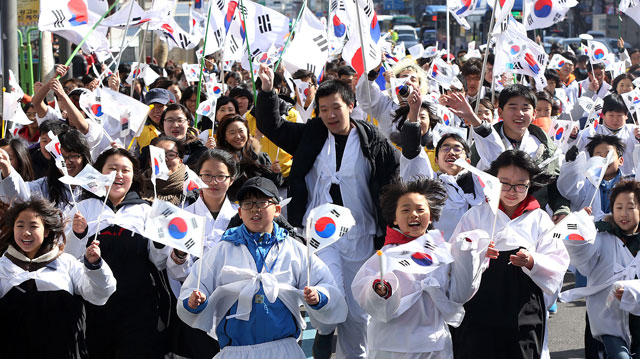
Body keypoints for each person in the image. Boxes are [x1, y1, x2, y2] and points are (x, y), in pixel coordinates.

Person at [256, 64, 400, 358]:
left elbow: (391, 184)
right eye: (323, 109)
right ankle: (323, 332)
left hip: (362, 233)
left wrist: (393, 229)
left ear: (351, 105)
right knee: (327, 292)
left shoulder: (374, 141)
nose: (330, 115)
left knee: (358, 311)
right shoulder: (311, 135)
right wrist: (268, 92)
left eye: (336, 107)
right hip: (321, 233)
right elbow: (271, 126)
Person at [177, 177, 347, 358]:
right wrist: (193, 301)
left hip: (283, 350)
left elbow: (326, 285)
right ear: (240, 212)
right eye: (248, 204)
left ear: (277, 210)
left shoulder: (294, 249)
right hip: (236, 352)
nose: (255, 209)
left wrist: (318, 296)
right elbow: (195, 287)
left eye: (262, 202)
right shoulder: (221, 251)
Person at [351, 177, 495, 358]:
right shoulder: (383, 256)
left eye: (420, 209)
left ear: (432, 215)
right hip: (392, 346)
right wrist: (380, 292)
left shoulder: (444, 252)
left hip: (434, 343)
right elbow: (365, 296)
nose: (414, 215)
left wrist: (475, 255)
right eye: (405, 210)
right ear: (394, 219)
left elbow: (459, 294)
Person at [450, 150, 570, 358]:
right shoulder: (476, 215)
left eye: (520, 185)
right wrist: (477, 253)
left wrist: (532, 261)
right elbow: (454, 254)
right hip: (479, 305)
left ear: (530, 185)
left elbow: (557, 261)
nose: (511, 191)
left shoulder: (540, 219)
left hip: (524, 306)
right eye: (504, 183)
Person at [67, 148, 170, 358]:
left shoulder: (147, 210)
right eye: (112, 169)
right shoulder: (82, 208)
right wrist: (79, 234)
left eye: (126, 170)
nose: (119, 175)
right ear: (100, 173)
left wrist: (161, 244)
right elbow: (69, 257)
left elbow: (158, 262)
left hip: (137, 304)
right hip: (94, 304)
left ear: (134, 176)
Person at [0, 198, 116, 358]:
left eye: (33, 226)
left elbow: (100, 294)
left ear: (46, 231)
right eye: (20, 226)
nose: (26, 232)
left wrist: (95, 266)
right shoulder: (3, 267)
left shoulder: (66, 263)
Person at [562, 180, 640, 359]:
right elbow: (579, 253)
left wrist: (632, 291)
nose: (624, 214)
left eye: (630, 207)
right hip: (608, 320)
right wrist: (582, 225)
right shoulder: (601, 236)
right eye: (618, 207)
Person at [0, 127, 90, 212]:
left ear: (84, 157)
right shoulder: (43, 187)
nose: (67, 162)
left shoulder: (95, 187)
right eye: (61, 157)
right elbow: (20, 196)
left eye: (73, 156)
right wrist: (7, 171)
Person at [559, 135, 632, 221]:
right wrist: (571, 165)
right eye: (599, 156)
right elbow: (569, 188)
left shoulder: (631, 184)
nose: (604, 160)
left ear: (621, 161)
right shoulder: (585, 184)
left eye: (609, 156)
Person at [215, 115, 283, 198]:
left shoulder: (259, 156)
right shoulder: (218, 160)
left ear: (247, 132)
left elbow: (273, 186)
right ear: (224, 136)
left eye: (241, 131)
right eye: (232, 133)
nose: (238, 136)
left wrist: (275, 173)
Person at [574, 94, 639, 176]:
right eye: (611, 115)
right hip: (597, 180)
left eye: (619, 115)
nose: (615, 119)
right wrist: (572, 136)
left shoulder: (634, 130)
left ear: (626, 115)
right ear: (602, 115)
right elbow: (575, 145)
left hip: (627, 179)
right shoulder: (592, 131)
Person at [142, 136, 199, 206]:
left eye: (171, 155)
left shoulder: (192, 189)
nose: (165, 159)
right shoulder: (137, 188)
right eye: (159, 155)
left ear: (180, 161)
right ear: (150, 162)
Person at [158, 103, 208, 169]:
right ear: (163, 123)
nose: (175, 125)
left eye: (180, 120)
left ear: (188, 123)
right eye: (170, 120)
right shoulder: (153, 149)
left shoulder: (199, 150)